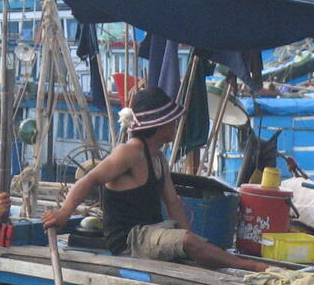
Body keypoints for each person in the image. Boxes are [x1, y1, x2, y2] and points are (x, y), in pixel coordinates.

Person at [42, 86, 267, 272]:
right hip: (130, 239)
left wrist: (191, 238)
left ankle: (233, 261)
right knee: (188, 241)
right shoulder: (130, 152)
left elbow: (173, 203)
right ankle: (249, 266)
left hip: (154, 230)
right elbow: (88, 180)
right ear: (158, 124)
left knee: (196, 241)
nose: (175, 125)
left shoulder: (158, 158)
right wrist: (64, 213)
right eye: (172, 121)